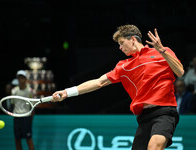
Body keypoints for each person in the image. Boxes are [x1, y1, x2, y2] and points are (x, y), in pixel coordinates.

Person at [52, 25, 184, 149]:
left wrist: (162, 50)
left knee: (154, 146)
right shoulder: (123, 66)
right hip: (144, 116)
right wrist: (67, 92)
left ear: (132, 39)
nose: (120, 47)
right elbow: (98, 82)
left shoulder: (162, 52)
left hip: (165, 112)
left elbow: (180, 72)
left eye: (121, 43)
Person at [11, 70, 35, 150]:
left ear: (25, 79)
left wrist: (31, 118)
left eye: (22, 78)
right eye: (19, 78)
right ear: (17, 79)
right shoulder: (14, 91)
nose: (21, 80)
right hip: (17, 117)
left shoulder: (30, 91)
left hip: (26, 117)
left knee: (28, 139)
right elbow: (13, 104)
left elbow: (33, 106)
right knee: (17, 140)